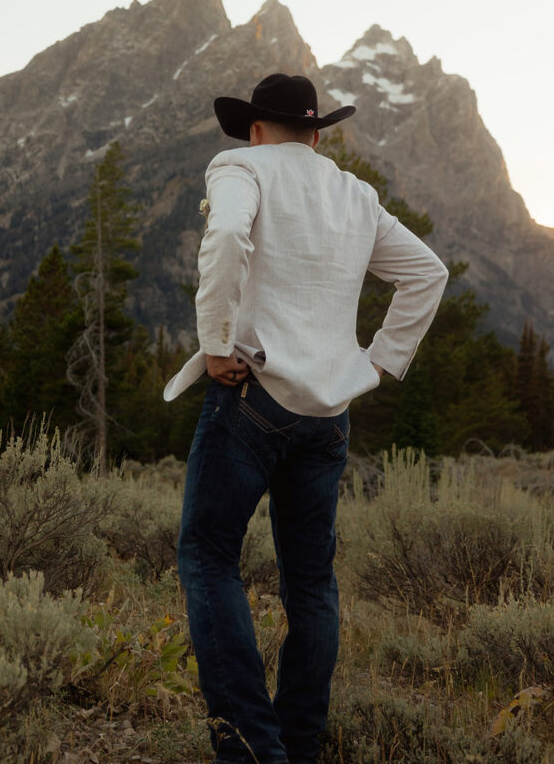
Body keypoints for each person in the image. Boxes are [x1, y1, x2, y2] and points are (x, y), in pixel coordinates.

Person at [163, 73, 448, 764]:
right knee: (310, 581)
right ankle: (297, 742)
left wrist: (214, 340)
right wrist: (377, 362)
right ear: (317, 133)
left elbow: (226, 231)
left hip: (252, 397)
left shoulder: (238, 165)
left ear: (255, 128)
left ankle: (254, 750)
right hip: (329, 414)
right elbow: (427, 273)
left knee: (207, 558)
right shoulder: (353, 193)